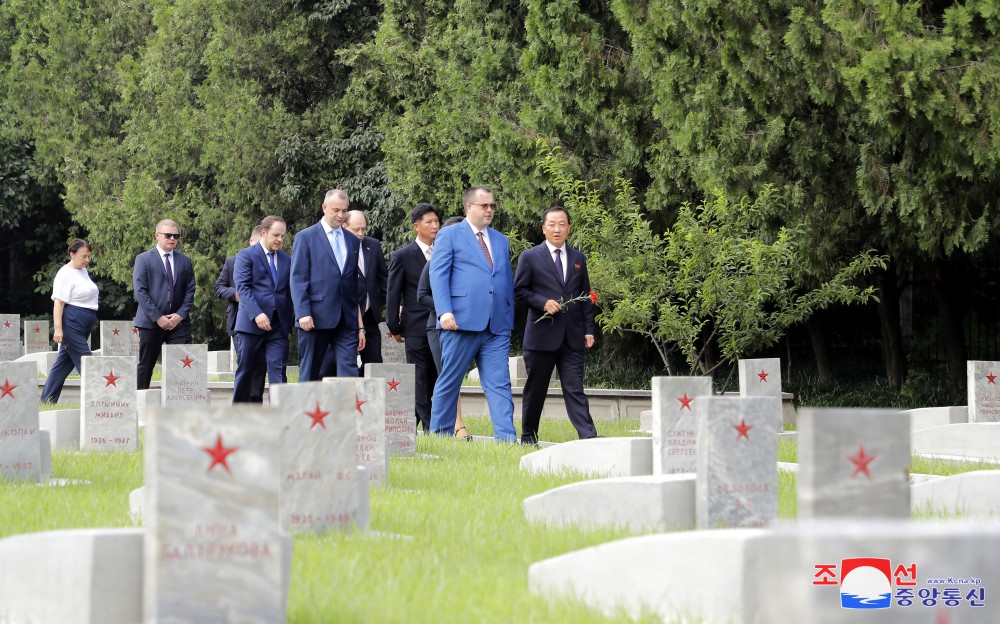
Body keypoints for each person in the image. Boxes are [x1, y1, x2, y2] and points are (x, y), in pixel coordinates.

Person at [429, 186, 516, 441]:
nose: (489, 210)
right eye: (484, 206)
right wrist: (444, 311)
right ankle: (439, 437)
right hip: (459, 322)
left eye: (492, 206)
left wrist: (508, 317)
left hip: (496, 325)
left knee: (500, 385)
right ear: (469, 207)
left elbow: (503, 280)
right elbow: (438, 274)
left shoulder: (500, 239)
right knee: (450, 380)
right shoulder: (450, 235)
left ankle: (507, 440)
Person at [514, 206, 599, 444]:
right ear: (543, 228)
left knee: (575, 388)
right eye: (552, 224)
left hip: (572, 338)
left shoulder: (578, 258)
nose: (557, 229)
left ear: (569, 228)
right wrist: (543, 303)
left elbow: (585, 297)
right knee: (536, 389)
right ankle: (528, 435)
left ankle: (588, 437)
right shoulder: (530, 257)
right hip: (541, 337)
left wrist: (588, 330)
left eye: (562, 224)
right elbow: (519, 291)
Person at [290, 189, 365, 381]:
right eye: (336, 210)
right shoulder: (305, 237)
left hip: (346, 320)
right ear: (324, 208)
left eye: (344, 211)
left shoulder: (352, 240)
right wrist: (302, 313)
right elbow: (298, 278)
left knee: (349, 371)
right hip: (315, 317)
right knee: (310, 372)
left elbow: (351, 282)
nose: (340, 215)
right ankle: (304, 411)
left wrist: (359, 325)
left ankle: (347, 411)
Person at [387, 203, 440, 432]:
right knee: (420, 376)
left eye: (437, 221)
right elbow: (393, 293)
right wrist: (394, 326)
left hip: (441, 324)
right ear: (416, 226)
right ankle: (429, 426)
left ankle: (422, 418)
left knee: (437, 376)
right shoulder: (402, 256)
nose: (435, 226)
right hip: (416, 325)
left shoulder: (444, 251)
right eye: (429, 222)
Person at [417, 216, 469, 439]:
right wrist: (446, 308)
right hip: (439, 327)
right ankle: (456, 426)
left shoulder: (469, 263)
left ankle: (450, 425)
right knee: (447, 376)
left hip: (465, 327)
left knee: (455, 377)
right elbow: (422, 296)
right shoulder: (434, 262)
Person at [233, 216, 294, 403]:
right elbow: (243, 287)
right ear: (263, 232)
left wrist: (288, 325)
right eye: (276, 235)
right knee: (246, 370)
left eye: (283, 236)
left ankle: (279, 417)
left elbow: (290, 292)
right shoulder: (246, 255)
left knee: (278, 372)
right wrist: (257, 314)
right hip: (251, 324)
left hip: (278, 327)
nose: (280, 240)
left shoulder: (287, 260)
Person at [132, 219, 195, 390]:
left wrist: (180, 315)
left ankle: (180, 404)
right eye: (168, 235)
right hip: (151, 322)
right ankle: (140, 404)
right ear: (157, 235)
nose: (172, 238)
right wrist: (158, 317)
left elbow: (190, 291)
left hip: (178, 323)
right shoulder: (143, 259)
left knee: (183, 364)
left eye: (176, 235)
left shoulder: (185, 261)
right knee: (146, 365)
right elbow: (141, 291)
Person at [39, 239, 99, 404]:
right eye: (83, 256)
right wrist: (58, 329)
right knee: (87, 362)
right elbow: (58, 303)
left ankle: (46, 401)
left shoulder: (83, 271)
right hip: (71, 321)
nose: (87, 260)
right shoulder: (65, 273)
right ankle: (102, 402)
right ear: (72, 254)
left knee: (63, 364)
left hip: (84, 321)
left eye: (88, 256)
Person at [214, 225, 266, 401]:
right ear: (251, 241)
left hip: (265, 321)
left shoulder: (272, 262)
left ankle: (255, 401)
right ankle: (242, 403)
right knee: (245, 363)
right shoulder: (233, 262)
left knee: (261, 365)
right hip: (240, 322)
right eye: (257, 243)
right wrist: (236, 295)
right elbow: (218, 287)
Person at [344, 209, 388, 376]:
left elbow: (383, 278)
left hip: (370, 315)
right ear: (344, 226)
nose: (361, 233)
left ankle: (369, 399)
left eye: (363, 229)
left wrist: (393, 303)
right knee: (346, 364)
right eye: (356, 230)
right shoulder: (339, 249)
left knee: (375, 365)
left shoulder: (373, 245)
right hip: (347, 316)